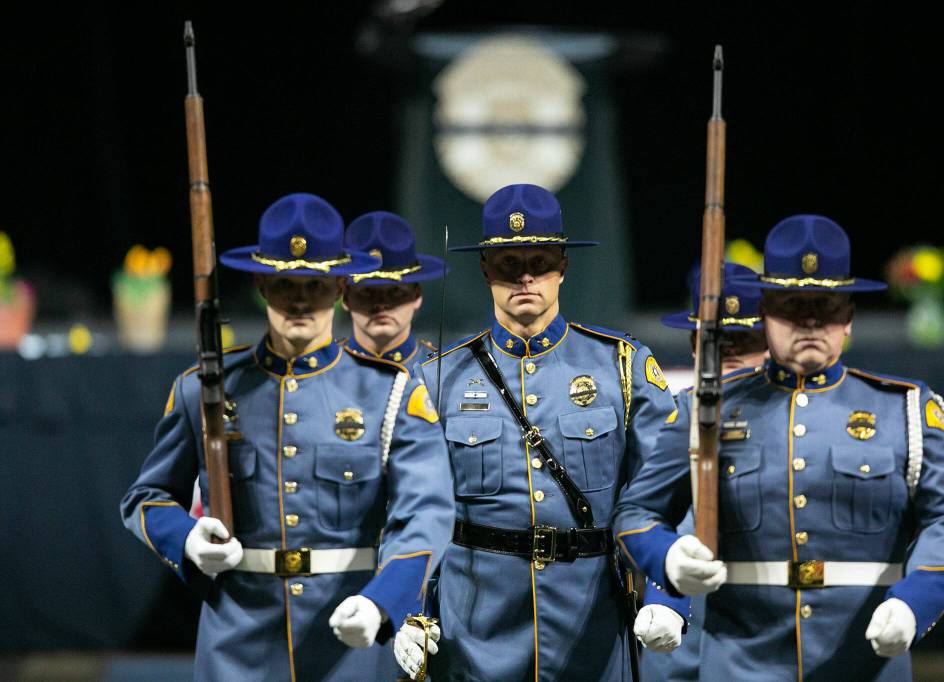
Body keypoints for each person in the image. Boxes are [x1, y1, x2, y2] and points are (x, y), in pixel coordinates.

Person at [614, 215, 944, 681]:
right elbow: (637, 514)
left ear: (849, 317)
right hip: (741, 664)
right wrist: (666, 559)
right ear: (767, 313)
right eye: (793, 306)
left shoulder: (906, 410)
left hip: (864, 662)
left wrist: (915, 603)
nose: (810, 321)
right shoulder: (705, 410)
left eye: (826, 306)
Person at [120, 192, 455, 681]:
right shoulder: (205, 390)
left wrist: (382, 602)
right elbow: (145, 497)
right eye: (285, 283)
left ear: (340, 286)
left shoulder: (391, 392)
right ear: (261, 283)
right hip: (240, 641)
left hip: (349, 635)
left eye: (314, 285)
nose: (300, 300)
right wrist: (187, 538)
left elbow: (426, 512)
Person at [412, 183, 686, 681]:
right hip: (476, 628)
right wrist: (412, 608)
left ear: (563, 266)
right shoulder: (439, 378)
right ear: (484, 270)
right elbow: (416, 508)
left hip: (591, 624)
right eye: (507, 264)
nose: (525, 276)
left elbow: (669, 490)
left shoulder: (621, 366)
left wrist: (668, 594)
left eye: (539, 261)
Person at [642, 262, 767, 682]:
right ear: (695, 343)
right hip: (675, 636)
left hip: (763, 638)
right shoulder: (664, 419)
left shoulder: (799, 425)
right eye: (714, 339)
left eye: (744, 338)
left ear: (769, 341)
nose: (727, 351)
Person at [340, 210, 445, 367]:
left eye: (395, 291)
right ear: (345, 297)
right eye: (367, 292)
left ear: (417, 296)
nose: (382, 304)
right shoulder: (321, 372)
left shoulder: (442, 373)